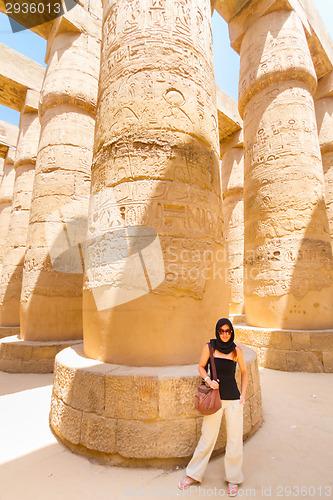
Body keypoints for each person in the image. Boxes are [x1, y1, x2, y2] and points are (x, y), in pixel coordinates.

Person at [178, 318, 247, 497]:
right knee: (207, 438)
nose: (225, 334)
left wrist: (243, 395)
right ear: (217, 331)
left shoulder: (236, 351)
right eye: (222, 331)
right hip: (213, 400)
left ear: (232, 332)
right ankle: (193, 474)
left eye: (228, 331)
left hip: (233, 400)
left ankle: (233, 479)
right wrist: (208, 380)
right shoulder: (210, 347)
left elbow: (244, 372)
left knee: (234, 440)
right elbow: (201, 367)